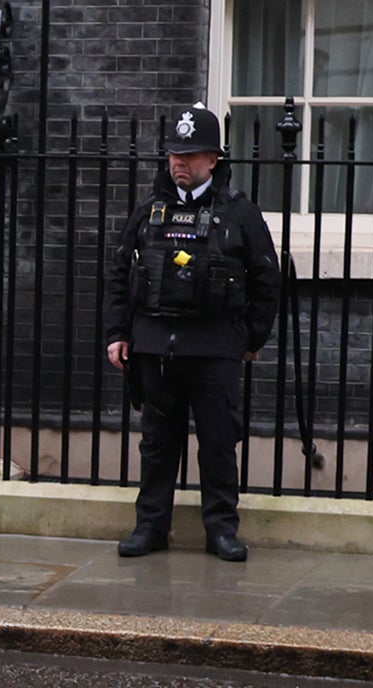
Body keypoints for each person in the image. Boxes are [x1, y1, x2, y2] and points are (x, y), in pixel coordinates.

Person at [103, 102, 281, 562]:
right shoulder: (149, 212)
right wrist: (117, 333)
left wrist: (250, 339)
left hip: (215, 348)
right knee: (158, 444)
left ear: (213, 160)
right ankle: (151, 528)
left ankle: (221, 530)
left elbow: (267, 280)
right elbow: (120, 275)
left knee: (219, 444)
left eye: (191, 155)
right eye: (174, 155)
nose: (179, 163)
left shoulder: (240, 214)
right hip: (156, 347)